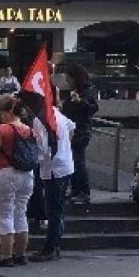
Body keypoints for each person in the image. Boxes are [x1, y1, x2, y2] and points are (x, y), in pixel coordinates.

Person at [0, 94, 35, 267]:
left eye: (1, 112)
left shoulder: (3, 130)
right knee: (20, 214)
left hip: (5, 174)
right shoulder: (29, 130)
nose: (1, 116)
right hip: (26, 175)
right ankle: (20, 255)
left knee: (5, 215)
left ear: (7, 112)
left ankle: (5, 257)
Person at [29, 106, 75, 262]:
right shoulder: (55, 111)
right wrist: (65, 148)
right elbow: (71, 127)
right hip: (65, 164)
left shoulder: (39, 119)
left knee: (53, 208)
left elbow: (42, 148)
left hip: (53, 168)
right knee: (58, 207)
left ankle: (51, 246)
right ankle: (55, 243)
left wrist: (35, 158)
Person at [61, 64, 98, 205]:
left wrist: (80, 101)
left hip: (80, 131)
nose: (67, 81)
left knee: (78, 162)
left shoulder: (87, 91)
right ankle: (76, 191)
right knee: (74, 162)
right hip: (71, 130)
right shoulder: (73, 91)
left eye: (68, 78)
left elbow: (92, 108)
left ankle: (83, 191)